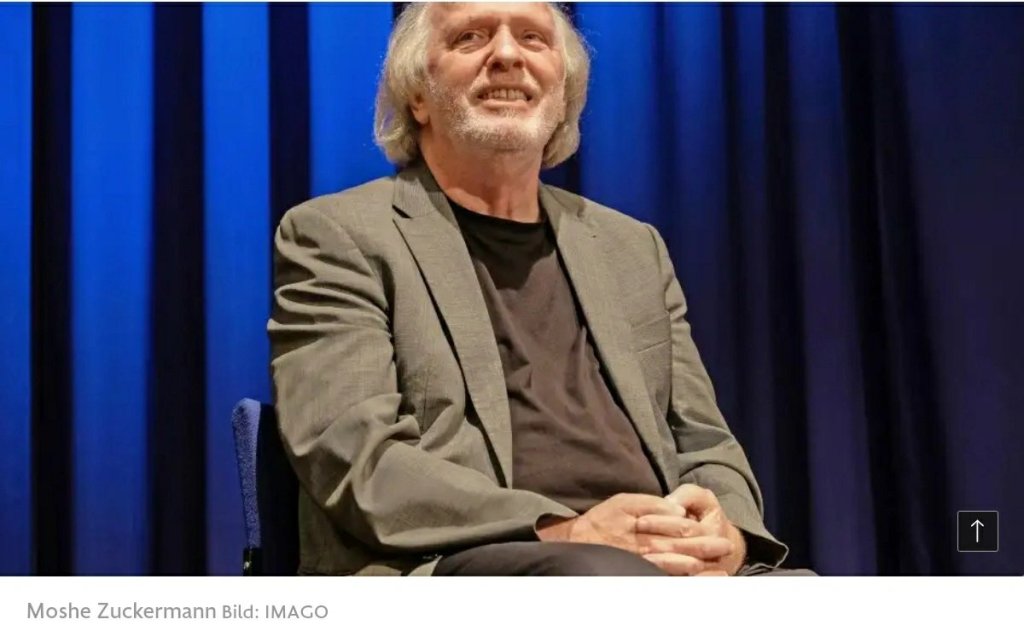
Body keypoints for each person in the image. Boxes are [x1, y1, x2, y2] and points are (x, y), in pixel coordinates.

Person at [269, 2, 803, 576]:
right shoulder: (339, 235)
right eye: (470, 38)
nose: (506, 55)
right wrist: (565, 529)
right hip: (468, 561)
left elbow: (704, 441)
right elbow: (356, 456)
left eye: (532, 38)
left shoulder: (632, 248)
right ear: (416, 95)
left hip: (653, 557)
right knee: (603, 579)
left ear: (563, 95)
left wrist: (728, 534)